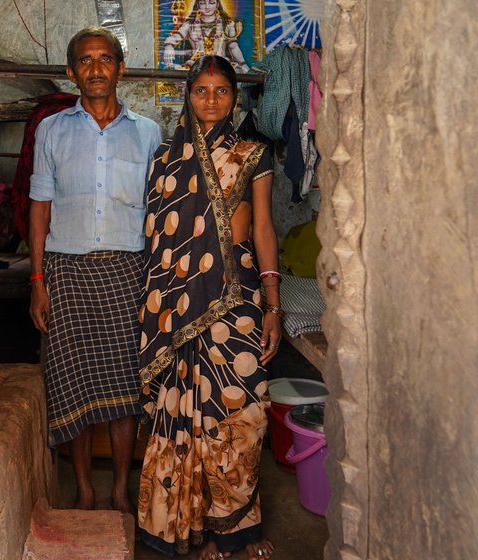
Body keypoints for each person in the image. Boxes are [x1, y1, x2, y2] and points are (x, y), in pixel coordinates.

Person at [137, 55, 280, 560]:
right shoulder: (164, 161)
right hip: (176, 306)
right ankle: (195, 533)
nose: (212, 100)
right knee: (184, 415)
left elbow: (262, 228)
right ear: (188, 96)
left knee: (243, 410)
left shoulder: (252, 154)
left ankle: (238, 525)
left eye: (222, 91)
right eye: (202, 90)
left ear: (234, 97)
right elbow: (158, 242)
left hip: (237, 298)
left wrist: (273, 304)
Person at [28, 27, 161, 514]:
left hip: (129, 272)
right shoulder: (52, 130)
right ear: (71, 72)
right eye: (86, 61)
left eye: (106, 59)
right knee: (73, 385)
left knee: (126, 387)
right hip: (66, 271)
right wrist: (38, 282)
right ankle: (84, 489)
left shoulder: (148, 133)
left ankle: (120, 490)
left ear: (120, 69)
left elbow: (157, 213)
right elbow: (39, 209)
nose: (97, 69)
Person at [162, 0, 250, 73]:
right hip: (196, 66)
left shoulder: (228, 24)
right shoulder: (190, 24)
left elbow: (233, 47)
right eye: (203, 3)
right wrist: (168, 45)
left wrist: (242, 64)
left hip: (221, 66)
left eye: (211, 2)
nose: (207, 7)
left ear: (217, 5)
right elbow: (176, 37)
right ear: (198, 5)